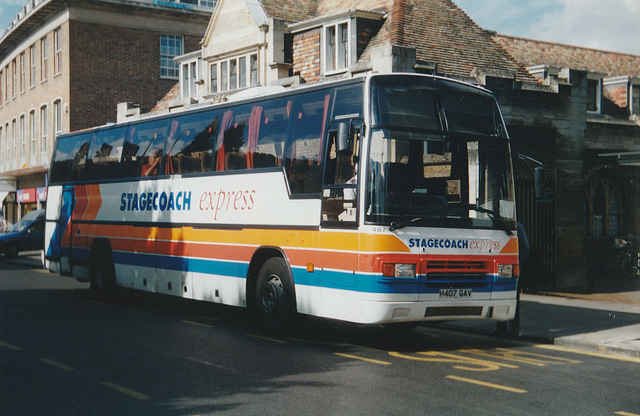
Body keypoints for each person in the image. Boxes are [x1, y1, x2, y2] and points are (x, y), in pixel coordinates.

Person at [496, 221, 529, 337]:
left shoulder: (518, 227)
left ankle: (514, 329)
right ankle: (501, 328)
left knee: (513, 298)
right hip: (501, 268)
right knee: (500, 297)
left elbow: (526, 249)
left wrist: (514, 258)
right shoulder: (497, 226)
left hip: (512, 268)